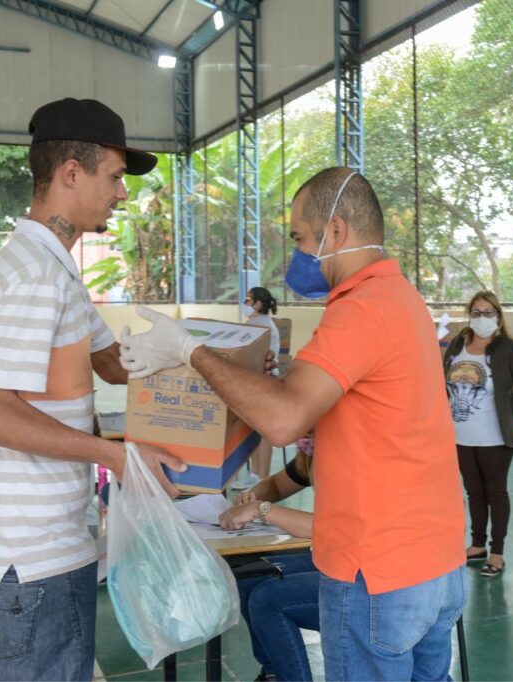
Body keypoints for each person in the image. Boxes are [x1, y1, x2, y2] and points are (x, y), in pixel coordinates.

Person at [120, 167, 467, 681]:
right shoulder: (402, 299)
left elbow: (282, 422)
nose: (299, 253)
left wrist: (189, 350)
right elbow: (351, 394)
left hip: (378, 572)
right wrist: (280, 376)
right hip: (437, 563)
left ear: (336, 232)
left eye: (302, 238)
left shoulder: (359, 309)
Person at [0, 98, 186, 681]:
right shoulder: (37, 278)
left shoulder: (49, 267)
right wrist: (117, 456)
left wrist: (197, 356)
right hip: (28, 562)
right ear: (72, 172)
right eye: (115, 176)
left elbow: (113, 363)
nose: (123, 193)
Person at [443, 290, 513, 578]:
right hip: (460, 434)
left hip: (494, 437)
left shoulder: (507, 348)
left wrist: (506, 410)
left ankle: (497, 553)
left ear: (498, 316)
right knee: (474, 492)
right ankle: (477, 545)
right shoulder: (458, 343)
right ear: (469, 314)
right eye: (477, 312)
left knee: (495, 492)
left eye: (488, 312)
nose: (482, 318)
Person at [219, 435, 318, 682]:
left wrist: (262, 510)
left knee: (268, 600)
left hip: (370, 576)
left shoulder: (345, 453)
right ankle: (274, 672)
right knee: (252, 572)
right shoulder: (312, 453)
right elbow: (276, 485)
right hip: (340, 556)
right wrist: (253, 496)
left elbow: (329, 527)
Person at [235, 286, 282, 488]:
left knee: (262, 431)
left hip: (264, 382)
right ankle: (254, 475)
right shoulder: (254, 323)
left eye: (248, 300)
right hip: (254, 382)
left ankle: (262, 477)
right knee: (252, 430)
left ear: (258, 304)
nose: (245, 303)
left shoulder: (262, 325)